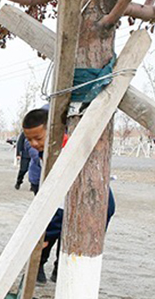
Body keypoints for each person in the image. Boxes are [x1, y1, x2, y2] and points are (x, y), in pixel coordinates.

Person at [21, 108, 116, 284]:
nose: (33, 143)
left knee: (73, 237)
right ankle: (39, 266)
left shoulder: (69, 149)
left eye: (38, 138)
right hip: (61, 198)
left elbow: (62, 203)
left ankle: (63, 269)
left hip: (91, 200)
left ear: (53, 131)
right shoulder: (46, 150)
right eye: (29, 139)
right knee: (48, 232)